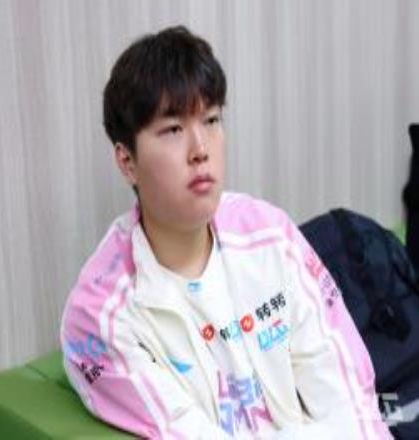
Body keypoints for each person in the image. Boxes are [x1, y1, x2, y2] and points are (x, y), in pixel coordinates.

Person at [60, 26, 391, 439]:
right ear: (127, 161)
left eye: (212, 120)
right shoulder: (99, 316)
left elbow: (351, 402)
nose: (201, 149)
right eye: (173, 129)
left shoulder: (268, 233)